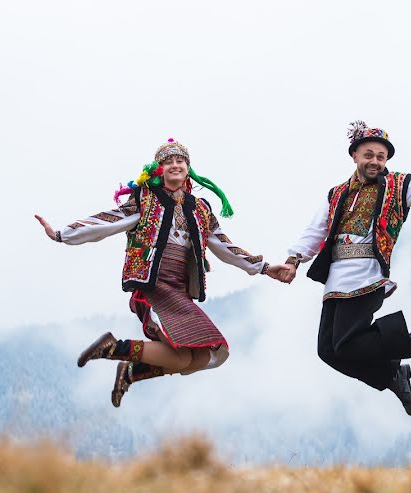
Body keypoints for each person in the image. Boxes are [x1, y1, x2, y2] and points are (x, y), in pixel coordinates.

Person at [35, 138, 289, 407]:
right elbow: (108, 221)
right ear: (159, 170)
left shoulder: (201, 209)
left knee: (203, 357)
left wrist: (264, 268)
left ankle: (131, 371)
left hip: (180, 292)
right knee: (182, 358)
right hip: (153, 287)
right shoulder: (145, 199)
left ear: (188, 168)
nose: (175, 165)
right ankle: (113, 347)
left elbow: (224, 246)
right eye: (168, 161)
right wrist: (63, 234)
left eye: (180, 160)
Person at [279, 122, 411, 415]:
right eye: (369, 155)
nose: (374, 161)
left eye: (381, 157)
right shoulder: (337, 194)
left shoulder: (395, 187)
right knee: (328, 351)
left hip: (367, 274)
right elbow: (316, 230)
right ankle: (393, 375)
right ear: (355, 155)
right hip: (335, 279)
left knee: (345, 344)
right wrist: (294, 260)